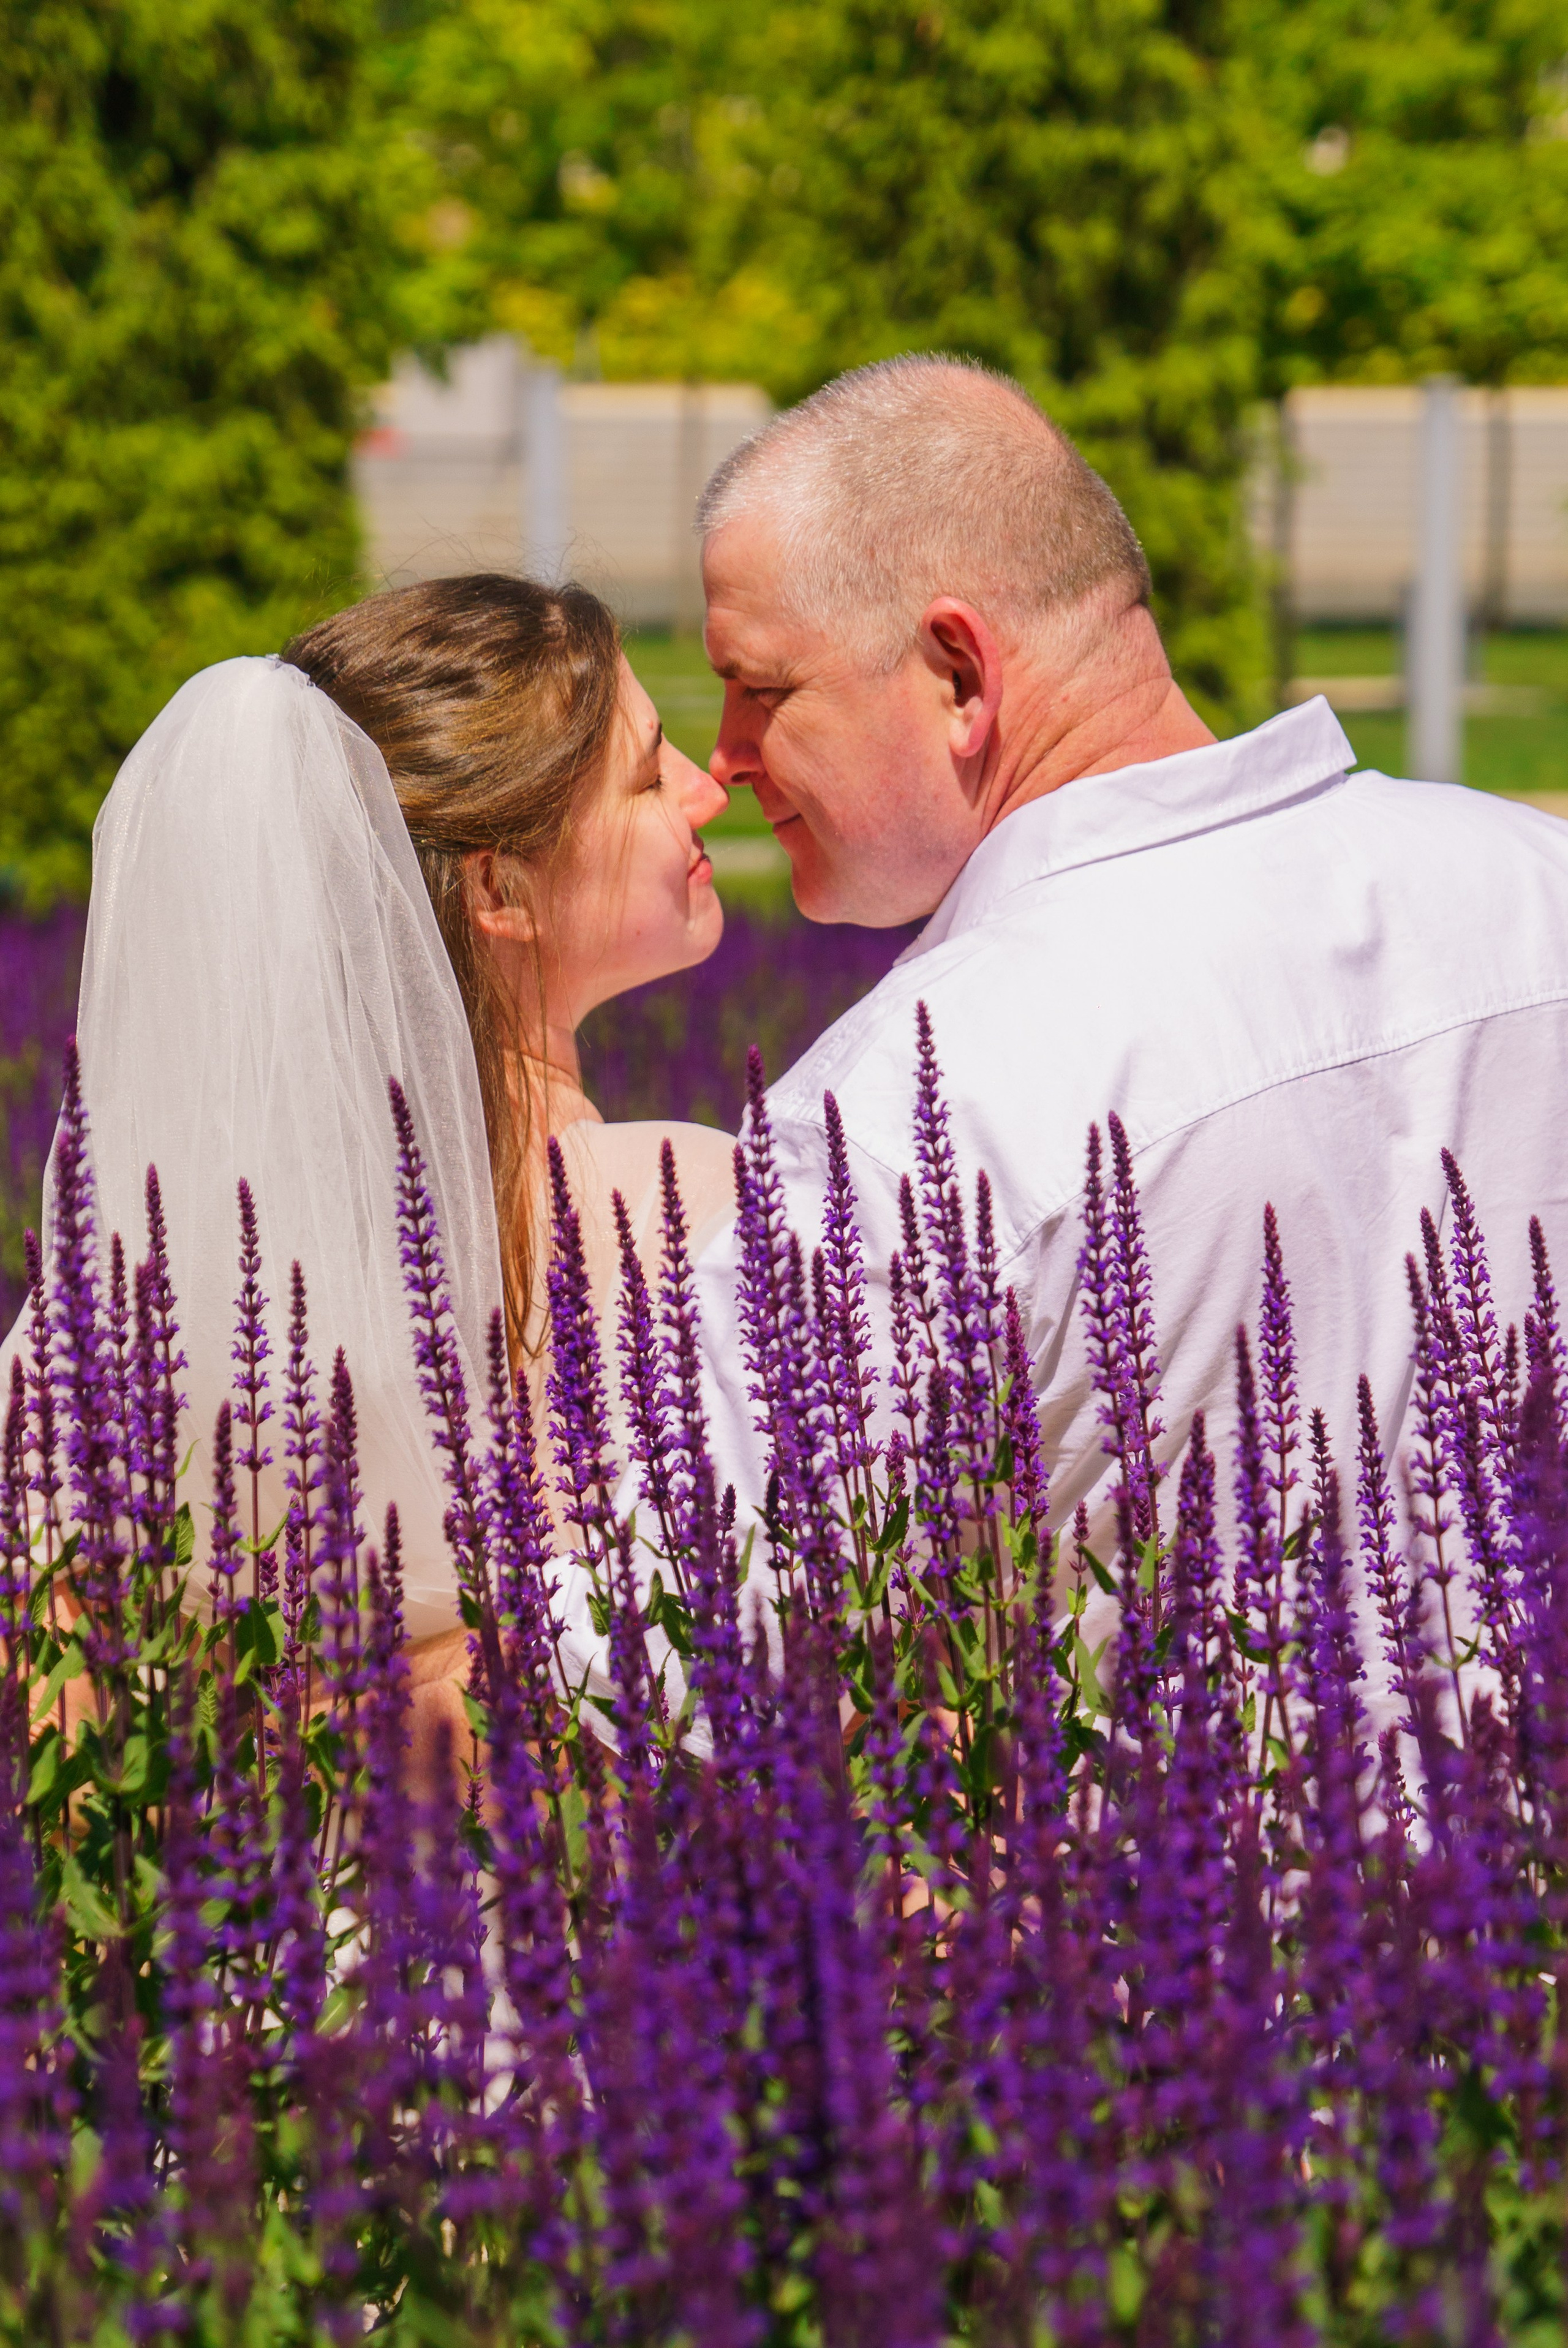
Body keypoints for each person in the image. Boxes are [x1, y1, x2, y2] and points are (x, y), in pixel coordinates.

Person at [553, 352, 1568, 1698]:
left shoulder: (921, 1108)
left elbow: (652, 1657)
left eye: (761, 687)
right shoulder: (1533, 886)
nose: (727, 755)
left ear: (958, 674)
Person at [4, 575, 735, 1764]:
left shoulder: (148, 1274)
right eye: (651, 777)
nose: (708, 788)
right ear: (497, 891)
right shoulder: (672, 1206)